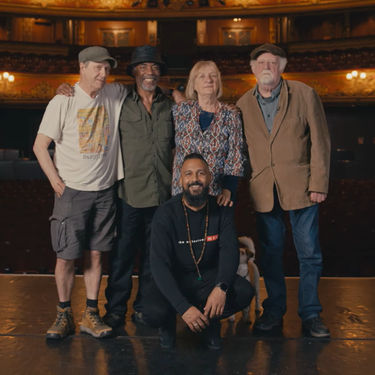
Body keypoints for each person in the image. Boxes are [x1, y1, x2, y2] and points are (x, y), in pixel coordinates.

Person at [33, 46, 129, 339]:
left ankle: (90, 313)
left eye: (107, 69)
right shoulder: (63, 100)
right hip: (72, 192)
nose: (103, 74)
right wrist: (54, 180)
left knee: (97, 256)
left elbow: (148, 86)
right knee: (66, 257)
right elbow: (39, 146)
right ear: (82, 68)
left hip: (104, 191)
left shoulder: (113, 93)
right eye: (97, 68)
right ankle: (64, 314)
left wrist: (177, 93)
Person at [237, 44, 331, 337]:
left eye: (273, 63)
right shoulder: (241, 104)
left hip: (302, 187)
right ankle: (274, 312)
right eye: (261, 62)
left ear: (282, 67)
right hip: (264, 191)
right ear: (252, 68)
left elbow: (320, 140)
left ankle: (311, 314)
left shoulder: (304, 94)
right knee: (271, 255)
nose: (267, 67)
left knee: (309, 254)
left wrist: (319, 183)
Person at [142, 153, 254, 349]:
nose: (195, 179)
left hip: (207, 278)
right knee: (152, 313)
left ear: (209, 178)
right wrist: (183, 308)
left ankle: (210, 323)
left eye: (201, 173)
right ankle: (168, 324)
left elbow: (230, 252)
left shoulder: (222, 210)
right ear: (181, 180)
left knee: (244, 292)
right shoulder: (165, 213)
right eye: (189, 174)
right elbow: (159, 266)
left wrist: (221, 288)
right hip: (175, 278)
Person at [102, 45, 176, 329]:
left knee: (152, 257)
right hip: (128, 194)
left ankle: (143, 308)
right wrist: (65, 88)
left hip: (162, 195)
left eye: (155, 68)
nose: (150, 73)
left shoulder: (170, 106)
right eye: (144, 67)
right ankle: (116, 310)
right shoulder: (120, 102)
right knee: (121, 257)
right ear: (134, 72)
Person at [172, 61, 244, 207]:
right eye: (202, 76)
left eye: (213, 76)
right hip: (183, 193)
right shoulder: (179, 111)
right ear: (193, 84)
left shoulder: (231, 116)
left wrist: (228, 190)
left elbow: (235, 158)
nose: (208, 80)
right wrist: (172, 91)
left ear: (218, 82)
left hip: (218, 195)